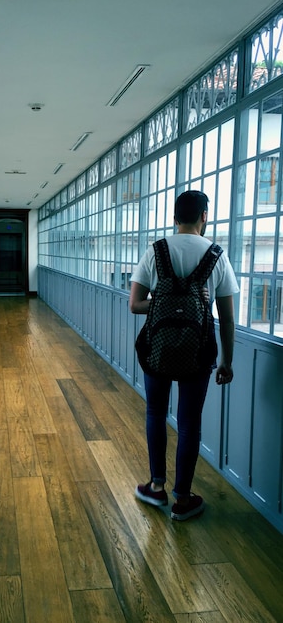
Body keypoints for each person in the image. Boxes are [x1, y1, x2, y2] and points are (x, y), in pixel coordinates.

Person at [129, 190, 239, 521]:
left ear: (174, 218)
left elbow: (135, 305)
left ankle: (156, 487)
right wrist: (226, 362)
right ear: (204, 216)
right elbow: (228, 318)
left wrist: (164, 300)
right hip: (198, 351)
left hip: (157, 348)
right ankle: (183, 499)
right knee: (190, 423)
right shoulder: (217, 255)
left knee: (155, 413)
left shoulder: (156, 250)